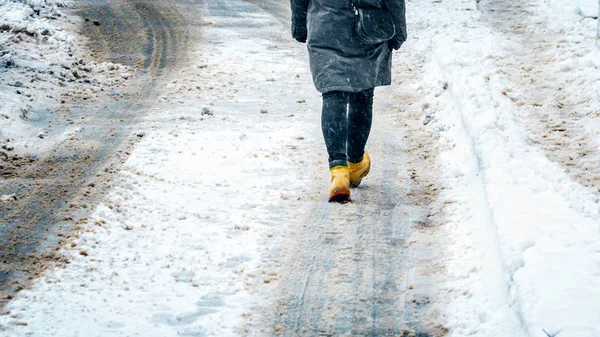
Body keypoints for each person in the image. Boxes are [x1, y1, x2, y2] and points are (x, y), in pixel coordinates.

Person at [290, 0, 407, 202]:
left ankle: (338, 170)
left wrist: (300, 24)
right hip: (368, 27)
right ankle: (354, 162)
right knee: (362, 96)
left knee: (333, 94)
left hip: (326, 26)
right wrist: (399, 30)